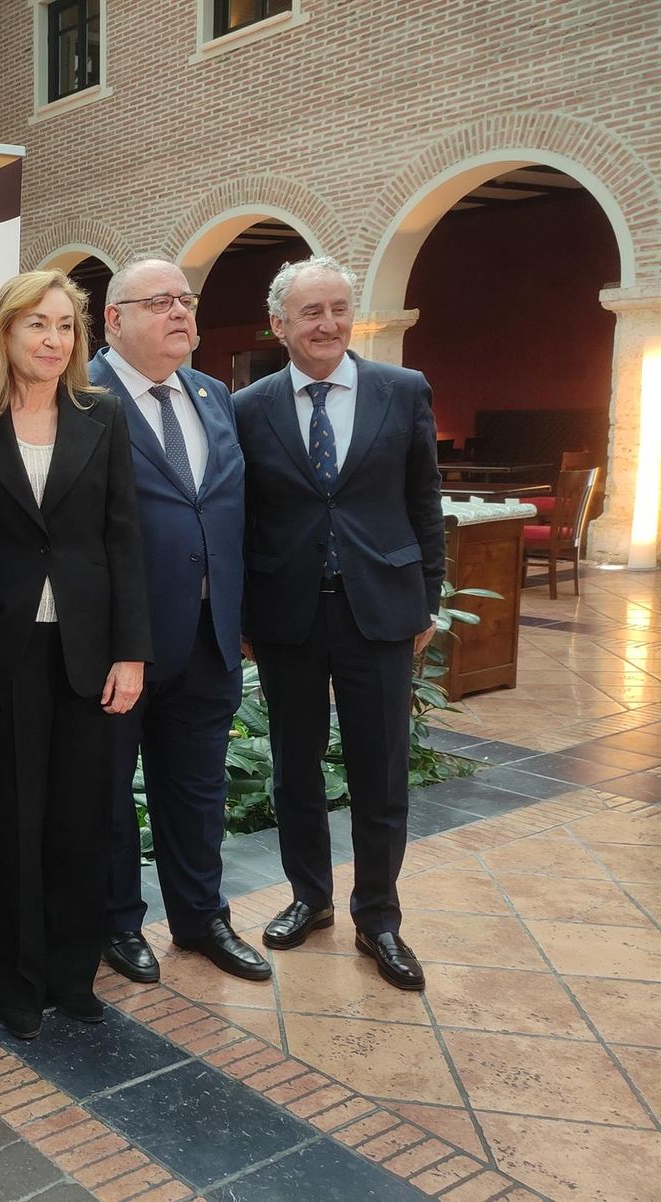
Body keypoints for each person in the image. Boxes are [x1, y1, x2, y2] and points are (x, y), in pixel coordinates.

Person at [0, 270, 152, 1038]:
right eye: (37, 323)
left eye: (66, 326)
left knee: (82, 819)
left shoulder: (103, 414)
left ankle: (74, 975)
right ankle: (19, 983)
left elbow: (124, 538)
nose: (53, 339)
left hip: (89, 648)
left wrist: (131, 653)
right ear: (4, 332)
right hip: (5, 651)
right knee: (16, 819)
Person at [233, 255, 444, 992]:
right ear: (279, 324)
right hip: (287, 614)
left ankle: (378, 917)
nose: (327, 324)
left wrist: (428, 597)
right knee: (293, 767)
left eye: (338, 309)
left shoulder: (402, 390)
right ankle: (310, 898)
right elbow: (244, 518)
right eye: (310, 312)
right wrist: (244, 614)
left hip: (379, 610)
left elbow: (423, 500)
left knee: (380, 771)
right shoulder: (248, 407)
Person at [88, 258, 272, 984]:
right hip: (118, 647)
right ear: (114, 319)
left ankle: (201, 918)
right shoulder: (79, 399)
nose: (180, 313)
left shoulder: (210, 394)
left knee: (198, 791)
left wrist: (243, 614)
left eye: (186, 301)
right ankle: (117, 922)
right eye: (160, 301)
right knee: (108, 793)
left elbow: (228, 509)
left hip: (208, 634)